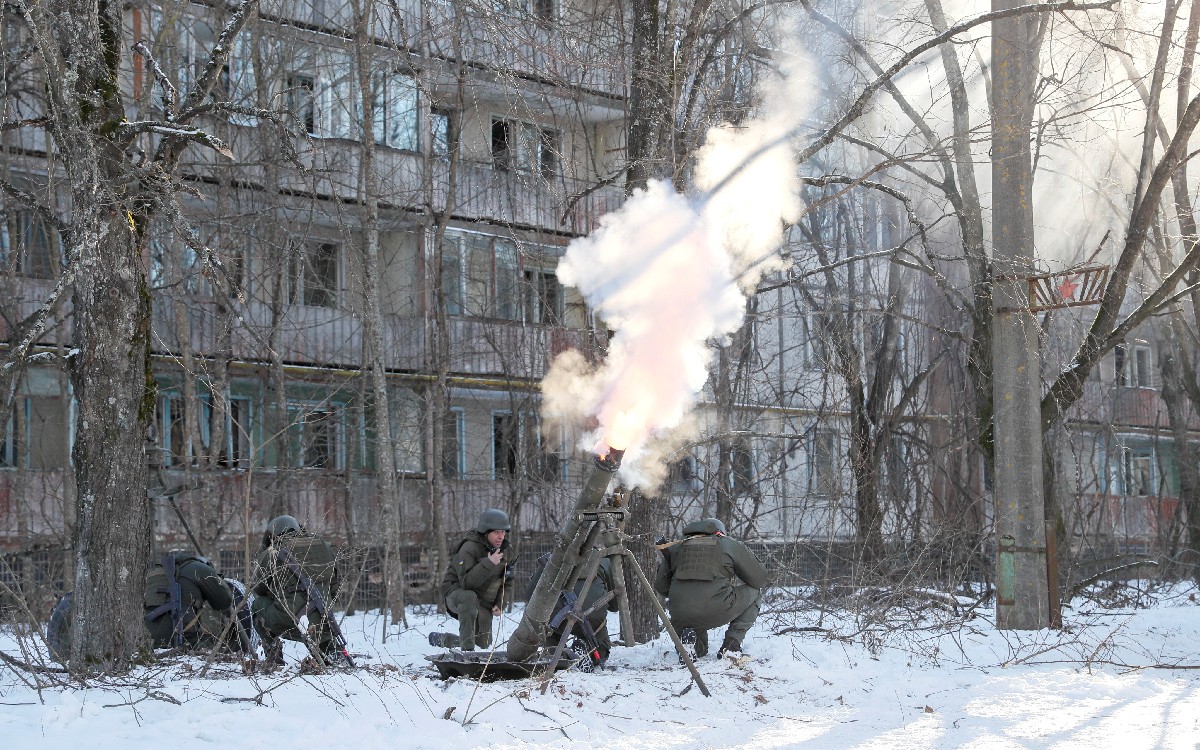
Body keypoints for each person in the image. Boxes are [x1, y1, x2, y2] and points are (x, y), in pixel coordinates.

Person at [654, 517, 768, 659]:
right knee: (755, 593)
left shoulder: (676, 548)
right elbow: (759, 579)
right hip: (715, 606)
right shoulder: (727, 544)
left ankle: (690, 644)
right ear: (720, 532)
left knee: (699, 650)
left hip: (680, 613)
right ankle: (731, 646)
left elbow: (661, 587)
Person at [250, 514, 340, 668]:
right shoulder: (323, 545)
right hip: (323, 616)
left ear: (272, 535)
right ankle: (328, 654)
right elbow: (334, 585)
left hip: (289, 619)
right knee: (318, 618)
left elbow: (259, 588)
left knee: (258, 605)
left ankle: (274, 657)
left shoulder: (273, 553)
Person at [430, 508, 512, 651]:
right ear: (485, 532)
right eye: (496, 532)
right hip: (456, 595)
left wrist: (500, 603)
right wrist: (489, 563)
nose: (501, 536)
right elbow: (466, 583)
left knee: (482, 646)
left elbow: (506, 582)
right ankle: (467, 653)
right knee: (469, 596)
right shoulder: (469, 547)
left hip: (479, 600)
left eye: (503, 532)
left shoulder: (500, 551)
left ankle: (443, 639)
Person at [528, 553, 619, 669]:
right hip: (593, 618)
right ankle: (592, 654)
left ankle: (558, 654)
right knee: (599, 632)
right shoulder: (602, 560)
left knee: (546, 626)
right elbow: (614, 606)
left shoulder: (554, 559)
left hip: (559, 619)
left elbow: (529, 595)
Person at [143, 550, 237, 650]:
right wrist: (216, 580)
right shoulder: (200, 569)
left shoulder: (153, 573)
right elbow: (224, 601)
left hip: (146, 642)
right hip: (184, 641)